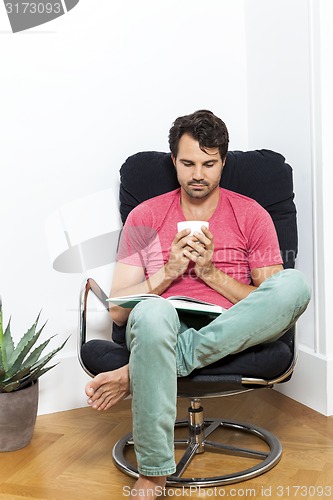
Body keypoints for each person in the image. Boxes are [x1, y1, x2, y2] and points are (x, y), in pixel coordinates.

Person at [85, 110, 311, 499]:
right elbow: (119, 310)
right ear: (173, 161)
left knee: (295, 285)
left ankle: (133, 373)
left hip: (233, 328)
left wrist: (211, 274)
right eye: (187, 163)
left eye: (209, 163)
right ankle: (153, 475)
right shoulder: (146, 215)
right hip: (163, 324)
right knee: (153, 311)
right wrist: (169, 271)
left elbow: (272, 303)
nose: (198, 175)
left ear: (224, 161)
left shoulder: (251, 214)